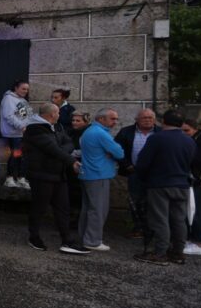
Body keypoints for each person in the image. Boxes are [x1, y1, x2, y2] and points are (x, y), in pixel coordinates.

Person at [22, 103, 87, 254]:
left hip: (58, 174)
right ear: (51, 114)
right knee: (39, 207)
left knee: (63, 208)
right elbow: (52, 148)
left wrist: (59, 149)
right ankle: (34, 237)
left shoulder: (56, 126)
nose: (59, 115)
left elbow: (68, 143)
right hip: (41, 175)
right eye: (58, 113)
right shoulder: (34, 129)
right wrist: (70, 160)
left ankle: (67, 241)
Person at [134, 110, 195, 266]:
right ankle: (178, 252)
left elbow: (143, 162)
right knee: (179, 220)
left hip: (159, 184)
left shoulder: (157, 138)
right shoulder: (189, 140)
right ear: (181, 124)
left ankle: (160, 253)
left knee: (160, 219)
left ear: (163, 121)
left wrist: (142, 178)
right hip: (182, 184)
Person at [78, 108, 125, 252]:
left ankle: (85, 238)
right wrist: (112, 152)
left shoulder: (90, 131)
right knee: (98, 210)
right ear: (101, 119)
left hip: (89, 174)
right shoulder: (100, 133)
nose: (115, 122)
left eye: (116, 119)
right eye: (112, 119)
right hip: (99, 174)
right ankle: (92, 241)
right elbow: (119, 153)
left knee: (88, 209)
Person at [115, 109, 158, 239]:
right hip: (134, 172)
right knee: (135, 201)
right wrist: (126, 165)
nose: (148, 120)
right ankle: (139, 228)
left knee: (155, 202)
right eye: (144, 117)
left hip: (155, 175)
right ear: (137, 119)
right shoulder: (126, 132)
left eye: (150, 118)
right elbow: (116, 149)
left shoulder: (160, 132)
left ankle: (154, 229)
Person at [182, 118, 201, 256]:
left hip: (200, 183)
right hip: (192, 182)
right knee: (189, 213)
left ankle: (199, 243)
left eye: (187, 130)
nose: (184, 133)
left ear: (195, 129)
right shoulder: (192, 140)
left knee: (198, 214)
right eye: (182, 130)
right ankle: (191, 240)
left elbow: (196, 159)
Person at [0, 80, 32, 189]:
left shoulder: (22, 100)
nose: (25, 91)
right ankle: (9, 179)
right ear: (16, 88)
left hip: (22, 134)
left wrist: (29, 126)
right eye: (23, 88)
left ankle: (20, 178)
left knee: (21, 156)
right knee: (15, 155)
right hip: (13, 134)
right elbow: (8, 116)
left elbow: (27, 116)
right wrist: (21, 127)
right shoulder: (9, 98)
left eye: (27, 89)